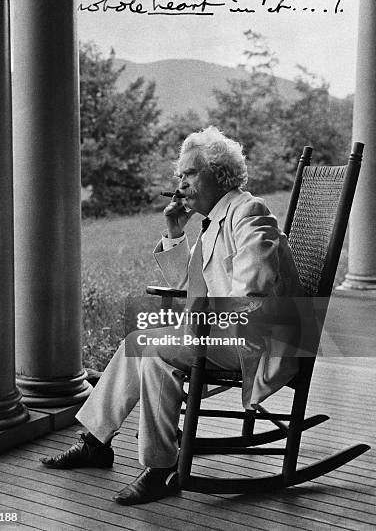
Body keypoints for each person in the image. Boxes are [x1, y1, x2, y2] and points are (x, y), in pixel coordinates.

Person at [40, 126, 304, 505]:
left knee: (156, 351)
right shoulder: (215, 220)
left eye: (190, 173)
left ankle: (161, 468)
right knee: (138, 342)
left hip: (258, 339)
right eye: (179, 175)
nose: (181, 183)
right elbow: (187, 279)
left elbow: (253, 289)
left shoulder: (249, 212)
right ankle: (96, 442)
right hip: (228, 332)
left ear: (220, 175)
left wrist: (203, 325)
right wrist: (174, 230)